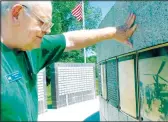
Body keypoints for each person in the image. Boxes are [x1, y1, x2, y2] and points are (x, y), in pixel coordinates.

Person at [1, 1, 137, 121]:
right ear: (16, 14)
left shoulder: (30, 48)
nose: (48, 31)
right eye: (43, 22)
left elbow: (70, 40)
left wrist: (113, 32)